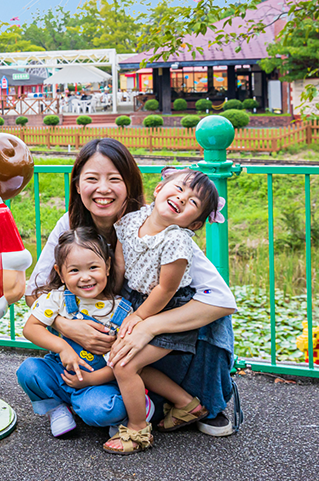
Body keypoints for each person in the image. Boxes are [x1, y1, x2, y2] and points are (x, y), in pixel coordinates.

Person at [22, 138, 237, 437]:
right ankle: (110, 398)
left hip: (143, 323)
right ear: (77, 184)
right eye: (92, 179)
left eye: (114, 179)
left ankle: (204, 398)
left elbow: (221, 300)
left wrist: (149, 326)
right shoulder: (70, 224)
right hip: (101, 337)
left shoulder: (159, 226)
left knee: (211, 321)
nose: (103, 189)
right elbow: (34, 288)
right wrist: (67, 326)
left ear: (130, 183)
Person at [100, 167, 223, 454]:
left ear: (194, 224)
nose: (182, 199)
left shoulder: (176, 240)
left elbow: (166, 290)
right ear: (158, 190)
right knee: (133, 361)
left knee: (124, 364)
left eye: (193, 202)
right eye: (179, 189)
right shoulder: (132, 219)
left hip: (167, 307)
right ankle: (187, 405)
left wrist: (139, 318)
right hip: (135, 300)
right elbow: (119, 264)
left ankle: (137, 429)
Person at [18, 228, 144, 438]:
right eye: (74, 270)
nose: (85, 277)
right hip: (61, 372)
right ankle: (57, 408)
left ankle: (113, 414)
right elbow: (30, 328)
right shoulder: (57, 299)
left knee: (104, 410)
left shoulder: (122, 311)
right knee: (28, 370)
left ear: (108, 267)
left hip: (97, 382)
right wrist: (62, 347)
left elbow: (124, 363)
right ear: (60, 273)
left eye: (93, 267)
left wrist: (90, 379)